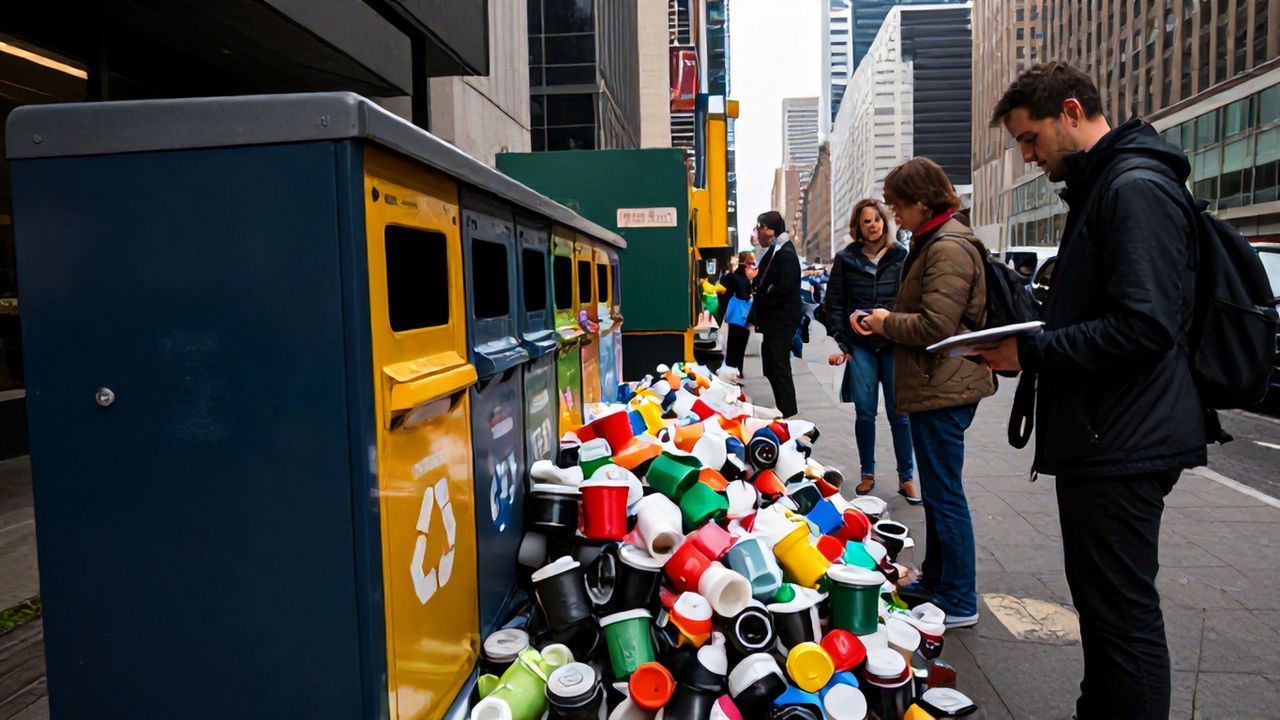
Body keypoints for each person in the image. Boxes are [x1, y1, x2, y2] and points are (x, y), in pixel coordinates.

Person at [979, 62, 1205, 720]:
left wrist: (1034, 348)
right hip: (1110, 433)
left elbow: (1145, 325)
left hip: (1125, 438)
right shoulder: (1108, 183)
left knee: (1123, 619)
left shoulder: (1132, 186)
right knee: (1105, 613)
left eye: (1030, 137)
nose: (1026, 155)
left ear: (1071, 112)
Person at [853, 158, 994, 628]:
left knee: (946, 495)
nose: (894, 217)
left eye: (896, 207)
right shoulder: (935, 239)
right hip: (937, 384)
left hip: (944, 387)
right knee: (937, 494)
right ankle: (937, 581)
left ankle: (958, 598)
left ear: (919, 202)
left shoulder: (948, 246)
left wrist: (884, 322)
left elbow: (937, 324)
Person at [825, 199, 918, 503]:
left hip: (893, 343)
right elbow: (834, 304)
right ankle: (868, 473)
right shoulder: (845, 259)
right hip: (861, 345)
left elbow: (910, 301)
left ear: (886, 222)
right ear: (859, 227)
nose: (874, 225)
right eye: (867, 221)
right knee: (865, 412)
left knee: (900, 413)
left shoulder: (902, 256)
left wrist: (899, 327)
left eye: (878, 219)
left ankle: (907, 477)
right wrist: (843, 337)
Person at [747, 210, 802, 418]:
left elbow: (784, 287)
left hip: (780, 320)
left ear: (769, 229)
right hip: (774, 320)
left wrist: (765, 296)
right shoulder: (776, 250)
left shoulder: (785, 253)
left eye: (759, 228)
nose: (757, 233)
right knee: (772, 367)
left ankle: (788, 413)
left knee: (778, 367)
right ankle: (784, 409)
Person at [720, 251, 754, 375]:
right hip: (741, 314)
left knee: (734, 342)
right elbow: (744, 293)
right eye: (751, 262)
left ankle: (734, 368)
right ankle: (736, 368)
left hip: (737, 314)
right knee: (739, 343)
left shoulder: (735, 275)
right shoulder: (741, 275)